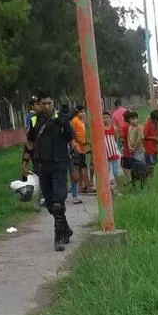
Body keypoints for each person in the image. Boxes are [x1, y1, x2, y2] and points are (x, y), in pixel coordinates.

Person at [21, 93, 75, 251]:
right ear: (39, 104)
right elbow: (30, 143)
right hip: (42, 166)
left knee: (58, 202)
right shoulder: (34, 120)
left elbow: (71, 142)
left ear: (53, 103)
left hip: (59, 164)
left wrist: (75, 164)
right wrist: (24, 162)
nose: (46, 106)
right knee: (51, 205)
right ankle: (66, 229)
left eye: (49, 103)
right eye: (43, 103)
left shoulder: (63, 120)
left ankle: (58, 238)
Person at [70, 105, 92, 195]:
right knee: (83, 168)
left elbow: (82, 134)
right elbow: (76, 135)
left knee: (80, 168)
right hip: (78, 148)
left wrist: (88, 141)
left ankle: (81, 188)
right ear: (77, 112)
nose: (83, 113)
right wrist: (83, 142)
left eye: (84, 111)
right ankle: (88, 187)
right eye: (81, 112)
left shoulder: (80, 121)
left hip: (81, 147)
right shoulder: (75, 121)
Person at [103, 110, 122, 188]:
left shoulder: (114, 128)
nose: (105, 119)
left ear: (110, 118)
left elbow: (115, 139)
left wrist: (118, 149)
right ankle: (107, 187)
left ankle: (118, 186)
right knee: (106, 170)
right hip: (105, 153)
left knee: (115, 171)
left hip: (113, 152)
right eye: (103, 118)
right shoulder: (101, 129)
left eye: (107, 117)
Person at [143, 108, 158, 176]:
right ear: (153, 118)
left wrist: (157, 138)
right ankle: (148, 179)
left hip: (154, 148)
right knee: (150, 166)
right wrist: (154, 138)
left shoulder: (156, 124)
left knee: (152, 165)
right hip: (148, 149)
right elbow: (144, 136)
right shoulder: (147, 125)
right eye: (157, 120)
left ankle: (150, 178)